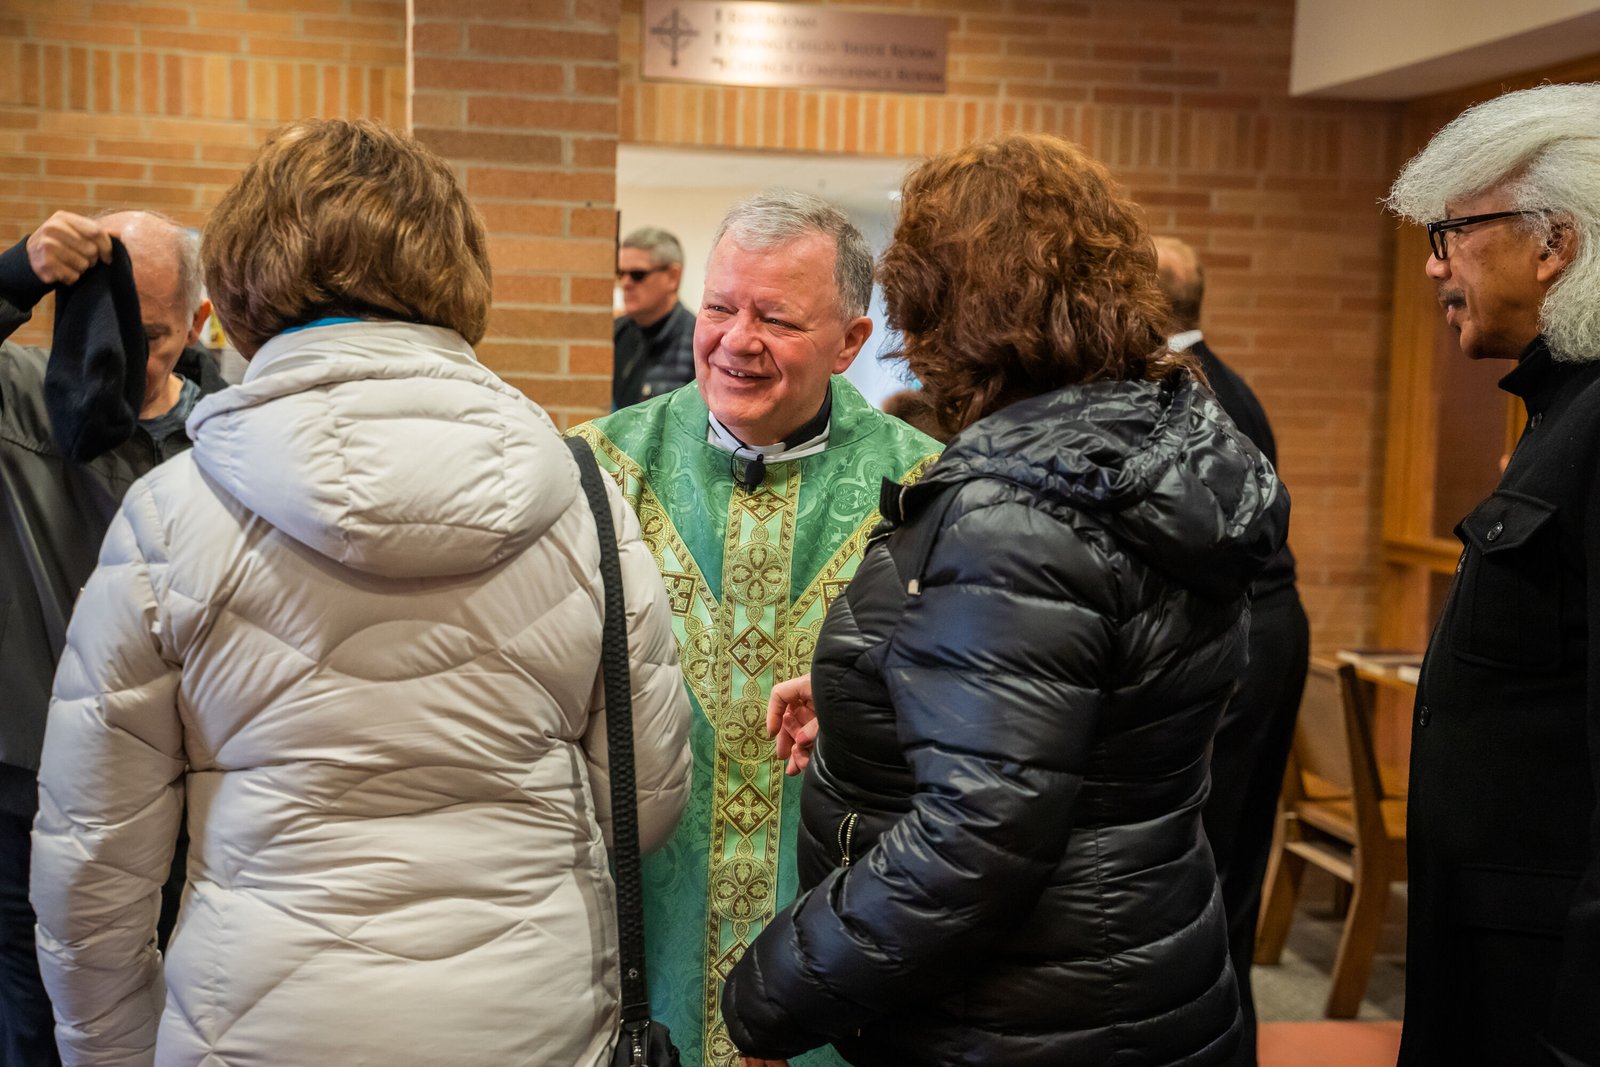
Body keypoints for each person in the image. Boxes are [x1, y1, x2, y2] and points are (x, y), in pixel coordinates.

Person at [28, 118, 693, 1067]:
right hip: (532, 1020)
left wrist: (116, 1052)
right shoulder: (586, 500)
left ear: (243, 282)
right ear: (453, 270)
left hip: (256, 1024)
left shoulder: (170, 513)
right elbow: (645, 795)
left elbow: (94, 865)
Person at [721, 133, 1288, 1066]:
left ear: (946, 304)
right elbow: (1098, 696)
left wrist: (770, 992)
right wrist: (888, 684)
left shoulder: (1020, 504)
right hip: (1135, 967)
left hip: (1029, 1011)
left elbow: (976, 837)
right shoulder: (1150, 441)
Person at [571, 190, 941, 1067]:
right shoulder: (596, 469)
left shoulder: (927, 492)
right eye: (721, 306)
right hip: (641, 931)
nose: (737, 339)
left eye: (776, 317)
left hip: (835, 930)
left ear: (851, 342)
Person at [1384, 82, 1600, 1065]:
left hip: (1546, 993)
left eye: (1450, 232)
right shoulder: (1560, 411)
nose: (1432, 265)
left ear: (1553, 241)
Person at [0, 209, 226, 1067]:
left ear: (201, 323)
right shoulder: (20, 397)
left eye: (154, 334)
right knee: (35, 1017)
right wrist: (17, 273)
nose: (124, 357)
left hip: (185, 788)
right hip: (28, 788)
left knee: (175, 1009)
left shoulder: (231, 434)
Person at [1155, 235, 1310, 1066]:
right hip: (1263, 630)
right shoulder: (1209, 376)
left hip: (1244, 642)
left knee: (1211, 878)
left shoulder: (1194, 390)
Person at [614, 226, 696, 409]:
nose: (625, 283)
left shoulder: (698, 342)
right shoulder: (615, 333)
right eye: (620, 274)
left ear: (673, 277)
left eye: (637, 275)